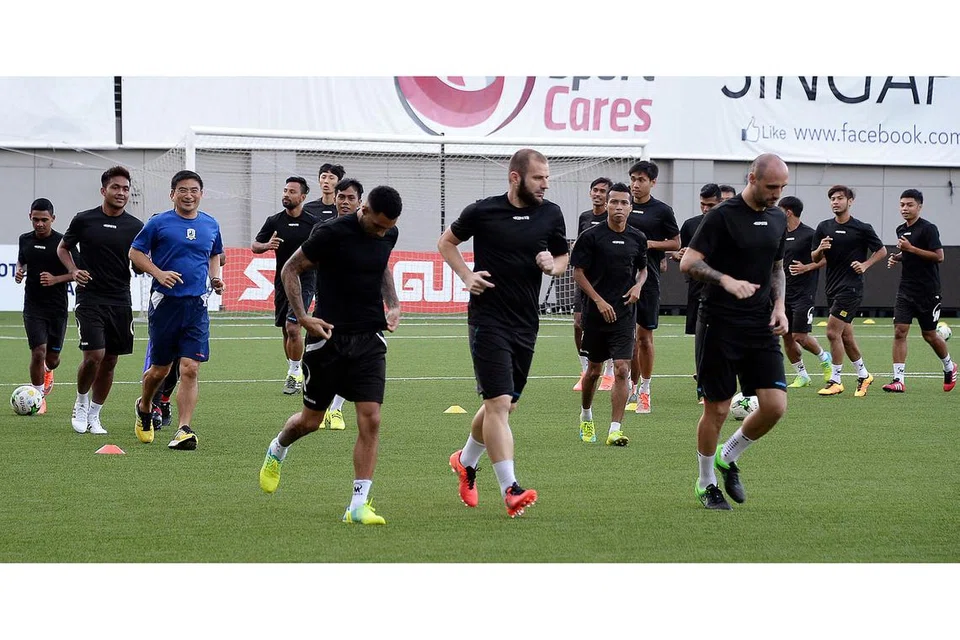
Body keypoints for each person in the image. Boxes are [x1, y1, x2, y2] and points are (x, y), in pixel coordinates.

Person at [257, 185, 403, 526]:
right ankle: (278, 448)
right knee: (311, 421)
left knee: (371, 418)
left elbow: (382, 266)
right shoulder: (330, 232)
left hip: (369, 337)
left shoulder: (387, 232)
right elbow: (290, 270)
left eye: (388, 227)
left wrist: (393, 304)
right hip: (328, 338)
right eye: (378, 225)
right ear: (364, 210)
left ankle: (357, 504)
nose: (383, 232)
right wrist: (303, 317)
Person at [439, 148, 568, 518]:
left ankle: (465, 460)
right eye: (538, 178)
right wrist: (466, 276)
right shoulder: (483, 211)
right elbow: (446, 243)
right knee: (498, 405)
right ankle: (510, 488)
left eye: (547, 177)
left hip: (526, 321)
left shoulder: (551, 214)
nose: (545, 184)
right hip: (487, 319)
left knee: (506, 404)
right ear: (515, 178)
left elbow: (561, 257)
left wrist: (553, 266)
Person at [680, 153, 790, 510]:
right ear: (752, 177)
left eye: (782, 188)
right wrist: (725, 279)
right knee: (718, 409)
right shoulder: (721, 217)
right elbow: (689, 262)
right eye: (771, 186)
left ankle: (729, 456)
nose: (776, 194)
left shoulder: (777, 218)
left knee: (774, 407)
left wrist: (779, 307)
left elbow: (777, 267)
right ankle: (706, 481)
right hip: (719, 323)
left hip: (760, 324)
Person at [130, 170, 224, 450]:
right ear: (172, 194)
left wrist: (215, 277)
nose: (188, 195)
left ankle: (184, 429)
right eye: (182, 190)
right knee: (160, 370)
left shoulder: (211, 224)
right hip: (165, 304)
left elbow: (214, 254)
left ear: (201, 194)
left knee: (191, 368)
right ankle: (145, 405)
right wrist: (158, 273)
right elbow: (135, 253)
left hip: (196, 306)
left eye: (194, 190)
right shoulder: (159, 223)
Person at [58, 166, 144, 435]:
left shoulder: (136, 226)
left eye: (126, 188)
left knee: (111, 361)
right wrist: (73, 271)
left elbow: (140, 260)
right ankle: (81, 403)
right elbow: (63, 247)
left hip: (120, 299)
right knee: (94, 356)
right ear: (103, 190)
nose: (121, 192)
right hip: (90, 297)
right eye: (116, 187)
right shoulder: (84, 220)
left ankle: (95, 414)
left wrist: (142, 267)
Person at [571, 183, 647, 446]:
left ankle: (615, 428)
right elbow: (578, 272)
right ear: (607, 205)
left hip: (625, 314)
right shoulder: (591, 236)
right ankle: (586, 415)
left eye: (623, 203)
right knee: (593, 371)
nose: (618, 207)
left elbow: (643, 268)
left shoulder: (637, 237)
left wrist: (638, 285)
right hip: (596, 314)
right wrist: (598, 300)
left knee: (623, 369)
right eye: (614, 202)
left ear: (630, 207)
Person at [812, 185, 887, 397]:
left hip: (851, 288)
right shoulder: (823, 227)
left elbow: (881, 251)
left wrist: (865, 265)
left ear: (850, 201)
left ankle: (835, 380)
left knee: (831, 332)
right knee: (845, 336)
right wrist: (820, 249)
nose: (835, 202)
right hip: (832, 287)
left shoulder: (862, 228)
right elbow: (814, 258)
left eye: (840, 198)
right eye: (832, 199)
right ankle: (864, 375)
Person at [883, 189, 956, 392]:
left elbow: (939, 256)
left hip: (928, 291)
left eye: (909, 205)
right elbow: (908, 253)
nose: (904, 208)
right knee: (899, 331)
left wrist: (910, 249)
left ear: (919, 207)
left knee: (930, 335)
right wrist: (899, 257)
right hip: (906, 289)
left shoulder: (928, 229)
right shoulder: (900, 229)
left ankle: (949, 366)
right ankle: (898, 380)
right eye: (902, 205)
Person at [251, 176, 319, 395]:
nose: (286, 195)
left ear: (303, 197)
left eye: (291, 191)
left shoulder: (313, 222)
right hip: (282, 281)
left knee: (293, 327)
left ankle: (294, 372)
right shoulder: (274, 221)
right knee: (285, 330)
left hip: (306, 280)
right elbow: (255, 245)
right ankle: (294, 369)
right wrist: (267, 245)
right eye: (285, 190)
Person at [309, 177, 366, 430]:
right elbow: (306, 262)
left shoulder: (371, 231)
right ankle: (320, 409)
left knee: (352, 361)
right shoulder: (323, 229)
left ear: (360, 202)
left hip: (359, 309)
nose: (344, 202)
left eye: (350, 197)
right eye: (341, 197)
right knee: (326, 360)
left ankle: (337, 410)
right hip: (328, 305)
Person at [625, 160, 680, 414]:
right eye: (633, 179)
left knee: (644, 337)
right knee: (626, 338)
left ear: (653, 182)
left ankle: (645, 389)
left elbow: (675, 243)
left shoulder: (662, 210)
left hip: (648, 280)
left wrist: (649, 244)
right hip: (619, 280)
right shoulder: (621, 204)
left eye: (641, 180)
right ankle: (629, 386)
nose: (636, 184)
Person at [15, 198, 74, 415]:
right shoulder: (25, 239)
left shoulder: (63, 243)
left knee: (52, 359)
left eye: (44, 220)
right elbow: (22, 260)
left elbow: (76, 273)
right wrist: (19, 270)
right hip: (33, 306)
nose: (39, 224)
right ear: (30, 217)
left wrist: (56, 279)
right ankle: (38, 397)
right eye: (35, 219)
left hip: (57, 307)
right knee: (38, 352)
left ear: (53, 219)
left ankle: (48, 371)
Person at [670, 183, 722, 404]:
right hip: (698, 289)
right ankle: (703, 388)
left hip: (723, 290)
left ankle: (713, 378)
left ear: (719, 202)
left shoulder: (728, 224)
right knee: (701, 340)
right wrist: (679, 254)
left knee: (720, 340)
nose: (705, 209)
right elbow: (678, 254)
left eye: (710, 205)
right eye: (702, 204)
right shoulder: (691, 225)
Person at [777, 196, 832, 388]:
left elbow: (826, 259)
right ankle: (802, 375)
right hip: (782, 293)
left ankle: (825, 357)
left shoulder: (810, 234)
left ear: (788, 212)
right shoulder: (779, 233)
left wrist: (806, 268)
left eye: (779, 209)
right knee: (785, 334)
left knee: (799, 336)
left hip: (803, 293)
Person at [573, 177, 614, 393]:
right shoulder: (584, 217)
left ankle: (608, 372)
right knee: (578, 323)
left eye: (602, 191)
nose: (598, 194)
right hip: (585, 280)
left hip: (607, 283)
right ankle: (584, 370)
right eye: (595, 190)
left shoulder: (613, 220)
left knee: (607, 326)